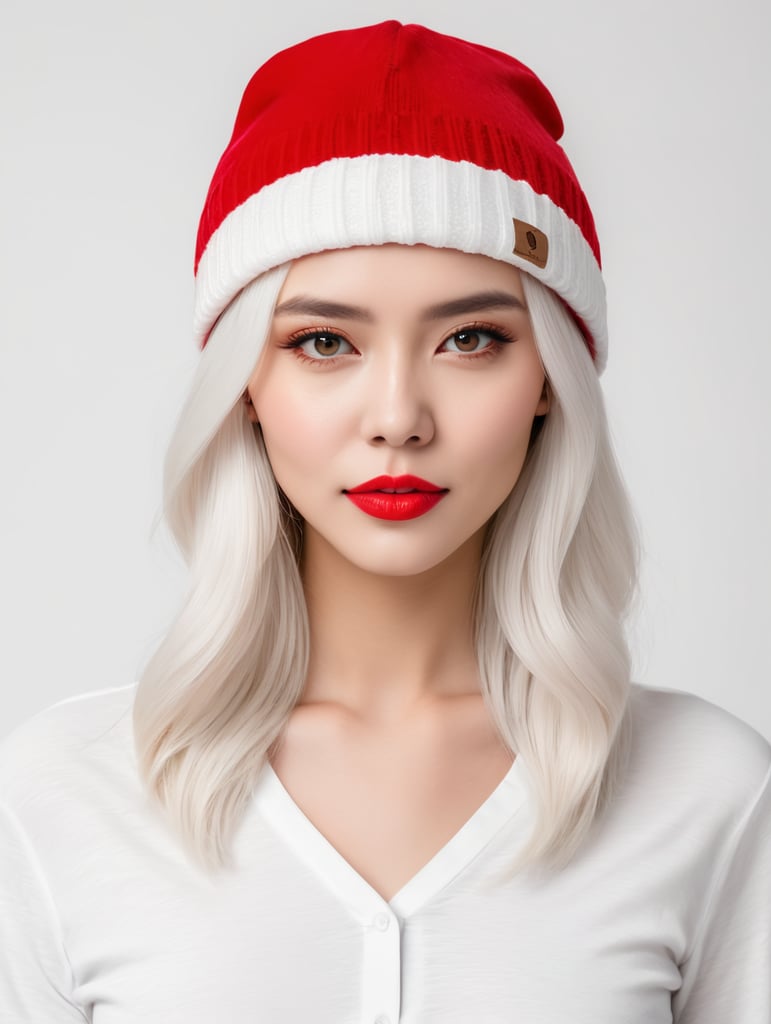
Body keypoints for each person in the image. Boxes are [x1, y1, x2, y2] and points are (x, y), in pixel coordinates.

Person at [0, 20, 769, 1023]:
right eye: (325, 340)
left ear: (549, 380)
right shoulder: (62, 796)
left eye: (471, 338)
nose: (399, 417)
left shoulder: (707, 794)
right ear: (245, 387)